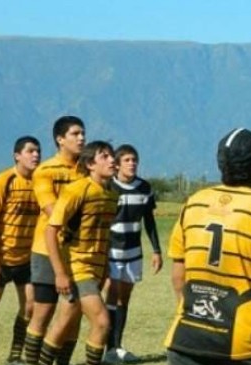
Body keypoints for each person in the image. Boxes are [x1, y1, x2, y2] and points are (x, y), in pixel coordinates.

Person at [163, 128, 251, 365]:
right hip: (246, 345)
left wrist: (192, 314)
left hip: (185, 340)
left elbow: (178, 276)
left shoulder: (194, 203)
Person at [41, 141, 118, 365]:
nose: (112, 160)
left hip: (94, 269)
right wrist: (60, 273)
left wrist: (104, 269)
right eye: (104, 156)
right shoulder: (77, 190)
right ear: (90, 164)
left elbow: (104, 235)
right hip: (76, 267)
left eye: (112, 156)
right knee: (102, 322)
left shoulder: (113, 195)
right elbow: (50, 231)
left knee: (64, 324)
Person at [24, 115, 86, 365]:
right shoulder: (45, 171)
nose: (81, 138)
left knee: (74, 313)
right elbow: (52, 210)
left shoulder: (86, 169)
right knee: (43, 312)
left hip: (78, 252)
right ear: (60, 139)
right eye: (75, 133)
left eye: (83, 133)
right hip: (46, 250)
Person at [0, 136, 41, 365]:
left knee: (30, 307)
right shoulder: (3, 181)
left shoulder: (39, 182)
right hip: (1, 259)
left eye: (38, 151)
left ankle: (15, 356)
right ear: (17, 155)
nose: (36, 155)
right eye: (30, 151)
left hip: (27, 260)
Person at [103, 144, 162, 364]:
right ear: (117, 164)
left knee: (124, 298)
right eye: (127, 160)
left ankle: (117, 346)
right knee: (112, 294)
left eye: (134, 159)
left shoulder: (144, 187)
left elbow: (150, 221)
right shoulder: (109, 186)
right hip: (111, 252)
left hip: (134, 252)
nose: (132, 163)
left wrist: (156, 250)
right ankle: (107, 347)